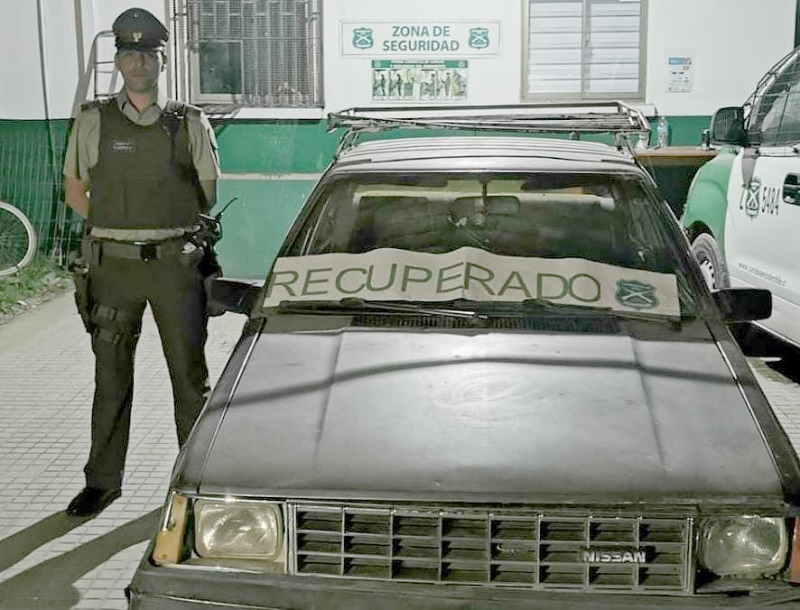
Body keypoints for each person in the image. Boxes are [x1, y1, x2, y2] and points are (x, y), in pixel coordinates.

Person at [62, 7, 221, 517]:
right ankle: (102, 481)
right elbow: (74, 190)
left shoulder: (190, 121)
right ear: (118, 61)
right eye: (128, 54)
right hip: (114, 269)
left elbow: (207, 193)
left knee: (189, 377)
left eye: (147, 54)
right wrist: (119, 226)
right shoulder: (93, 119)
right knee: (110, 377)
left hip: (175, 267)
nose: (137, 64)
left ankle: (195, 482)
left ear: (162, 60)